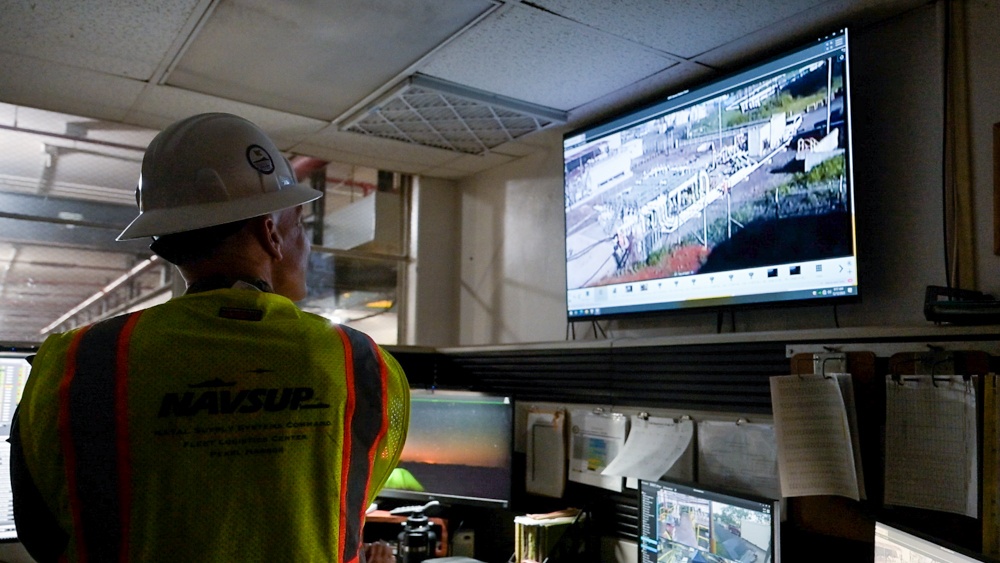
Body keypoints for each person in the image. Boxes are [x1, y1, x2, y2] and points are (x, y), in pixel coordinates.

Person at [10, 113, 409, 563]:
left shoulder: (72, 363)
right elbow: (351, 503)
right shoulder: (361, 364)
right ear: (271, 233)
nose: (306, 244)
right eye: (299, 224)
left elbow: (41, 533)